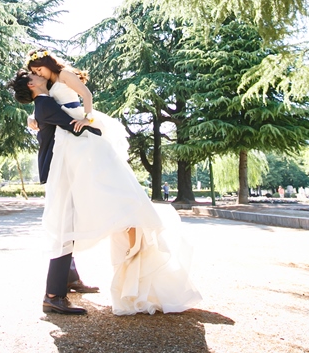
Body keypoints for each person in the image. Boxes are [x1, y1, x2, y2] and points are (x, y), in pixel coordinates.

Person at [22, 50, 201, 316]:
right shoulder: (45, 91)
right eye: (33, 73)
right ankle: (68, 278)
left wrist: (87, 118)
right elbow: (45, 108)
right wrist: (34, 119)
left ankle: (75, 274)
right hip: (69, 142)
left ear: (47, 66)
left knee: (82, 201)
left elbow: (85, 96)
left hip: (79, 129)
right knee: (71, 209)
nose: (36, 74)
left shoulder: (63, 77)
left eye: (38, 70)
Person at [13, 69, 101, 315]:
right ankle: (53, 295)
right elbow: (74, 127)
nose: (39, 74)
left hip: (60, 167)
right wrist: (100, 132)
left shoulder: (44, 102)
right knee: (63, 226)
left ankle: (69, 279)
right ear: (31, 84)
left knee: (69, 222)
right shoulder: (45, 105)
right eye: (34, 74)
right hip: (58, 170)